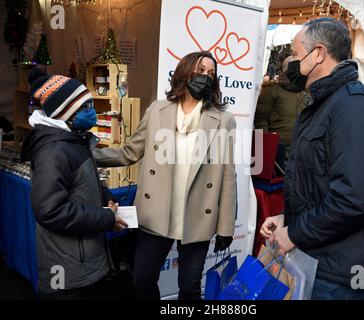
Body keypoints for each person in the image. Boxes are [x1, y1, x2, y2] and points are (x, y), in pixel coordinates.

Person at [260, 18, 364, 300]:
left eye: (296, 54)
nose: (291, 63)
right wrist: (288, 218)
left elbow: (354, 199)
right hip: (320, 261)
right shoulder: (325, 104)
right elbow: (321, 185)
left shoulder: (357, 106)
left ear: (318, 53)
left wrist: (295, 233)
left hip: (343, 272)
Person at [93, 51, 237, 300]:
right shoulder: (157, 111)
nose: (206, 76)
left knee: (190, 287)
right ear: (185, 72)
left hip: (197, 216)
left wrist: (225, 226)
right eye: (200, 70)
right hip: (156, 213)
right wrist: (88, 154)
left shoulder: (223, 120)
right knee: (142, 280)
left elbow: (227, 175)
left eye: (211, 73)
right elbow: (129, 152)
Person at [20, 69, 128, 299]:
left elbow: (82, 184)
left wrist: (106, 195)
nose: (92, 112)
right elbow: (51, 210)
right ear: (65, 112)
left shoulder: (73, 141)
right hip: (66, 273)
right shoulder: (53, 151)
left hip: (83, 265)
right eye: (85, 107)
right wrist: (106, 218)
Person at [254, 56, 308, 152]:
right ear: (287, 69)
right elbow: (260, 121)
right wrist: (265, 148)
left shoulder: (305, 93)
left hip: (298, 150)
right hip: (274, 151)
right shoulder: (271, 90)